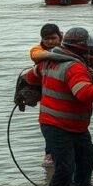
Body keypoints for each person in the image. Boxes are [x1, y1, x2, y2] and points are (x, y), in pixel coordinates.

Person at [23, 27, 93, 186]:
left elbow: (30, 76)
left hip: (73, 125)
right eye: (92, 51)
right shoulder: (75, 67)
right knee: (65, 167)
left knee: (88, 157)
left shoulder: (50, 60)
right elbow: (84, 94)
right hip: (57, 125)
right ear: (84, 49)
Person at [30, 23, 63, 168]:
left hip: (63, 92)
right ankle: (49, 155)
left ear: (60, 36)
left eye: (53, 38)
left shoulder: (68, 49)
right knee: (50, 124)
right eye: (46, 39)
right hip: (47, 94)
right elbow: (36, 55)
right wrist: (60, 55)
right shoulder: (38, 49)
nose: (49, 42)